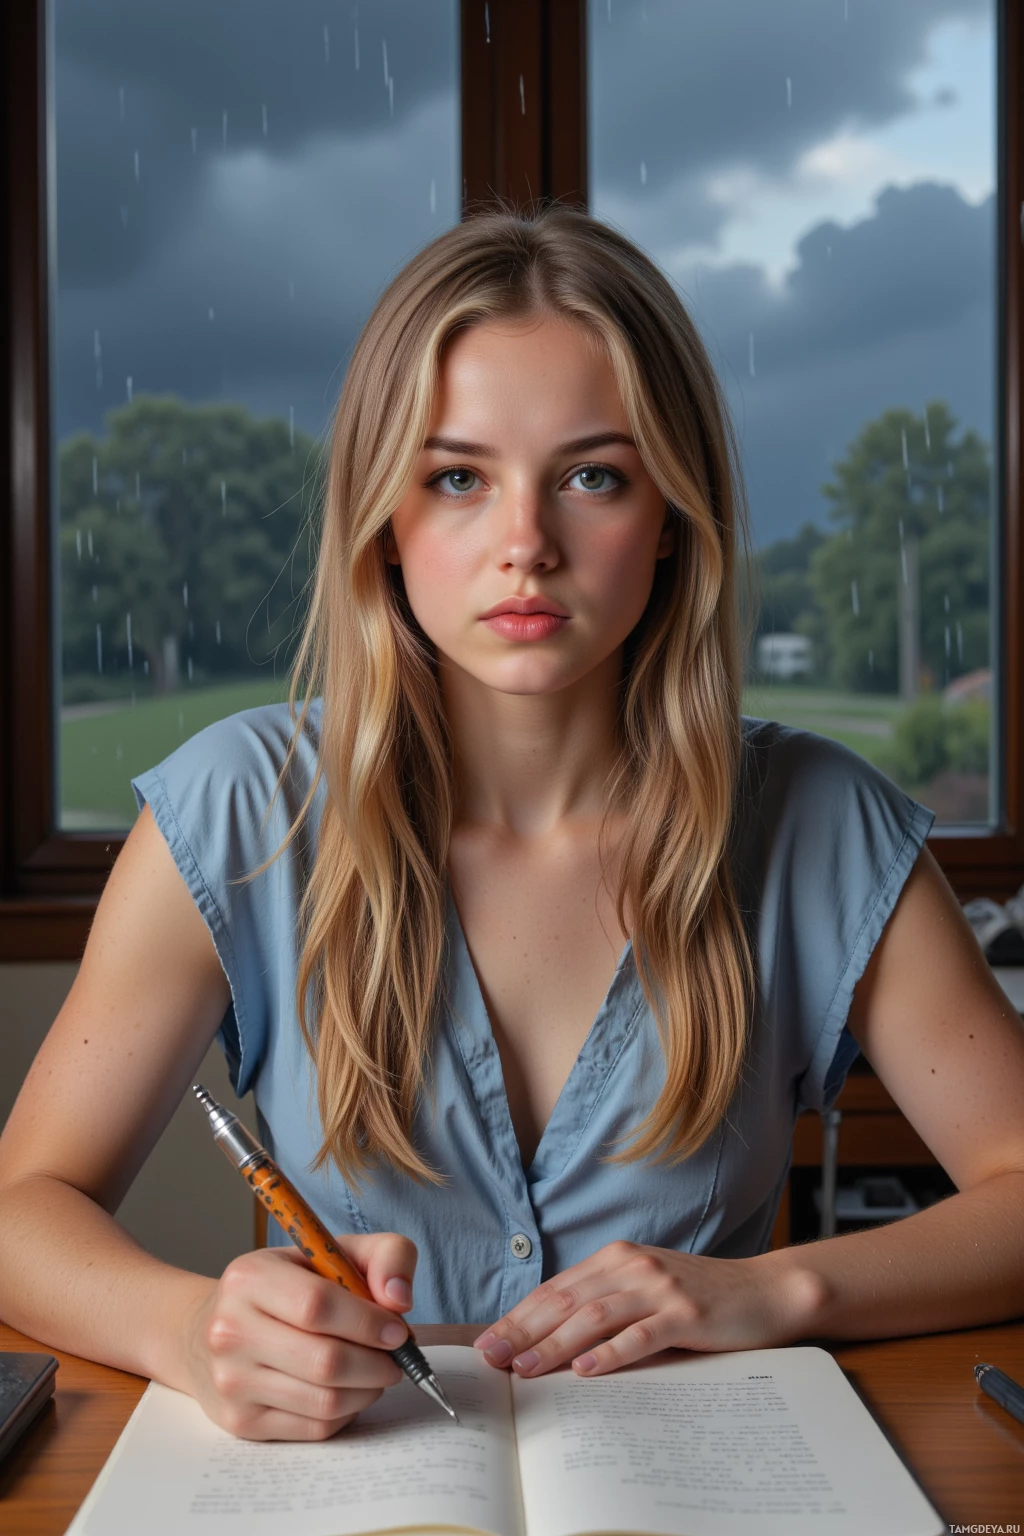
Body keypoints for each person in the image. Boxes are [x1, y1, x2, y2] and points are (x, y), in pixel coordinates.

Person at [1, 204, 1023, 1446]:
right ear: (383, 518)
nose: (525, 546)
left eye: (593, 476)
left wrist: (778, 1290)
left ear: (672, 516)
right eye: (457, 479)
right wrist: (190, 1333)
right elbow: (20, 1208)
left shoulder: (823, 821)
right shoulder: (237, 808)